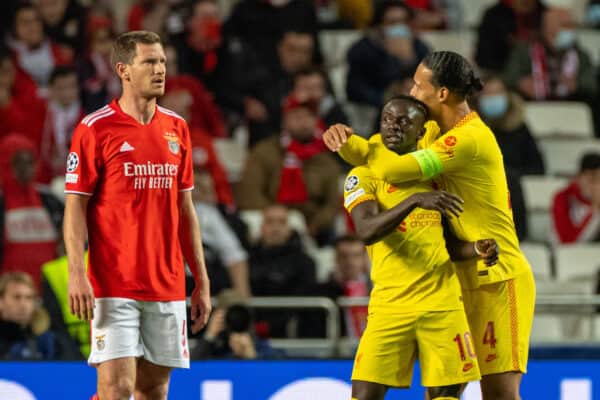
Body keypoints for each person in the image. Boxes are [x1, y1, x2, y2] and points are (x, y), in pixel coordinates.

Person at [323, 51, 535, 400]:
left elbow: (392, 169)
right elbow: (387, 145)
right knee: (443, 392)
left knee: (498, 394)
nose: (412, 90)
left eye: (418, 85)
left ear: (441, 94)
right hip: (455, 274)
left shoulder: (470, 138)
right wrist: (344, 138)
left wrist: (354, 147)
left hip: (498, 276)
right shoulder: (433, 129)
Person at [63, 31, 211, 400]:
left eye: (162, 61)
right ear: (123, 70)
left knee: (154, 390)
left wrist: (201, 279)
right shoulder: (95, 128)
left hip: (167, 283)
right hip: (114, 283)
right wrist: (77, 273)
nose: (160, 69)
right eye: (149, 61)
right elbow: (75, 206)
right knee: (117, 388)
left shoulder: (177, 128)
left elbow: (185, 209)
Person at [344, 95, 499, 400]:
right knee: (364, 395)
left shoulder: (437, 178)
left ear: (421, 130)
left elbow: (450, 245)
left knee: (446, 394)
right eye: (387, 119)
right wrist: (414, 200)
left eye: (404, 121)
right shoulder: (362, 175)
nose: (393, 126)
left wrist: (476, 249)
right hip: (391, 303)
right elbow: (365, 231)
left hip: (441, 302)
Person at [237, 95, 341, 245]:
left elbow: (332, 204)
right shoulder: (264, 152)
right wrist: (276, 218)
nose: (304, 122)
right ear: (285, 120)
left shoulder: (326, 160)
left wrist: (314, 226)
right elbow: (249, 191)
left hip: (313, 228)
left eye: (309, 117)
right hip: (269, 221)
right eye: (297, 116)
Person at [475, 75, 545, 239]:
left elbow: (537, 167)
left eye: (497, 92)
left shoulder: (519, 128)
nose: (493, 98)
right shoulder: (470, 129)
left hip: (514, 188)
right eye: (488, 94)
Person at [0, 133, 64, 290]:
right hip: (9, 294)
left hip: (49, 289)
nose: (26, 169)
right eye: (18, 163)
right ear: (5, 163)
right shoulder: (2, 203)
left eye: (30, 162)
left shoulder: (50, 200)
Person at [248, 204, 317, 337]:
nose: (276, 228)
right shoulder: (245, 260)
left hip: (291, 331)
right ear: (261, 228)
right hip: (251, 327)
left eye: (281, 222)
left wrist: (271, 325)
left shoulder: (305, 262)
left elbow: (304, 302)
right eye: (270, 222)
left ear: (289, 229)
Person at [503, 6, 597, 102]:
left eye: (572, 25)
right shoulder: (524, 51)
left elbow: (592, 83)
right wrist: (520, 83)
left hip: (570, 106)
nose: (571, 29)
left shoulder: (580, 55)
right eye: (566, 25)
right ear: (548, 28)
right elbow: (508, 78)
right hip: (533, 105)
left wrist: (577, 84)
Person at [346, 0, 429, 108]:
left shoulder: (419, 47)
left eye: (403, 21)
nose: (399, 27)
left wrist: (408, 60)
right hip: (376, 108)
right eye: (392, 22)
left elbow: (429, 83)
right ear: (379, 26)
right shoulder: (362, 49)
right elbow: (355, 90)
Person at [0, 271, 80, 360]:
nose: (24, 305)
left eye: (29, 298)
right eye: (16, 297)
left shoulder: (50, 342)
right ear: (1, 301)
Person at [315, 235, 370, 338]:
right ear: (335, 259)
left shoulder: (377, 289)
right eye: (344, 256)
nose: (350, 262)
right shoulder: (321, 292)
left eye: (356, 255)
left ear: (365, 259)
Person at [552, 153, 600, 243]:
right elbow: (568, 242)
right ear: (579, 177)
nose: (596, 185)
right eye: (592, 179)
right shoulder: (563, 198)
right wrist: (595, 209)